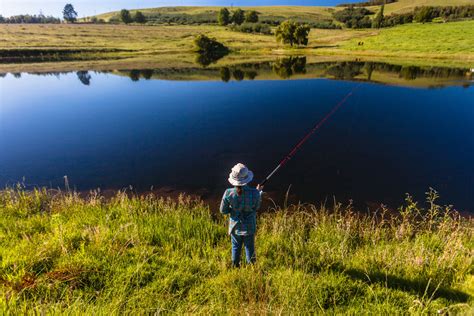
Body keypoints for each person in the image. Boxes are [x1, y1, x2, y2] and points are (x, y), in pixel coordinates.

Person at [220, 163, 263, 267]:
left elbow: (223, 211)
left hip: (235, 226)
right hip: (249, 226)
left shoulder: (228, 193)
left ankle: (235, 266)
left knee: (235, 247)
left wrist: (233, 211)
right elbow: (256, 208)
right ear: (247, 178)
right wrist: (259, 192)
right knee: (249, 247)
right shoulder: (255, 193)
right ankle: (252, 269)